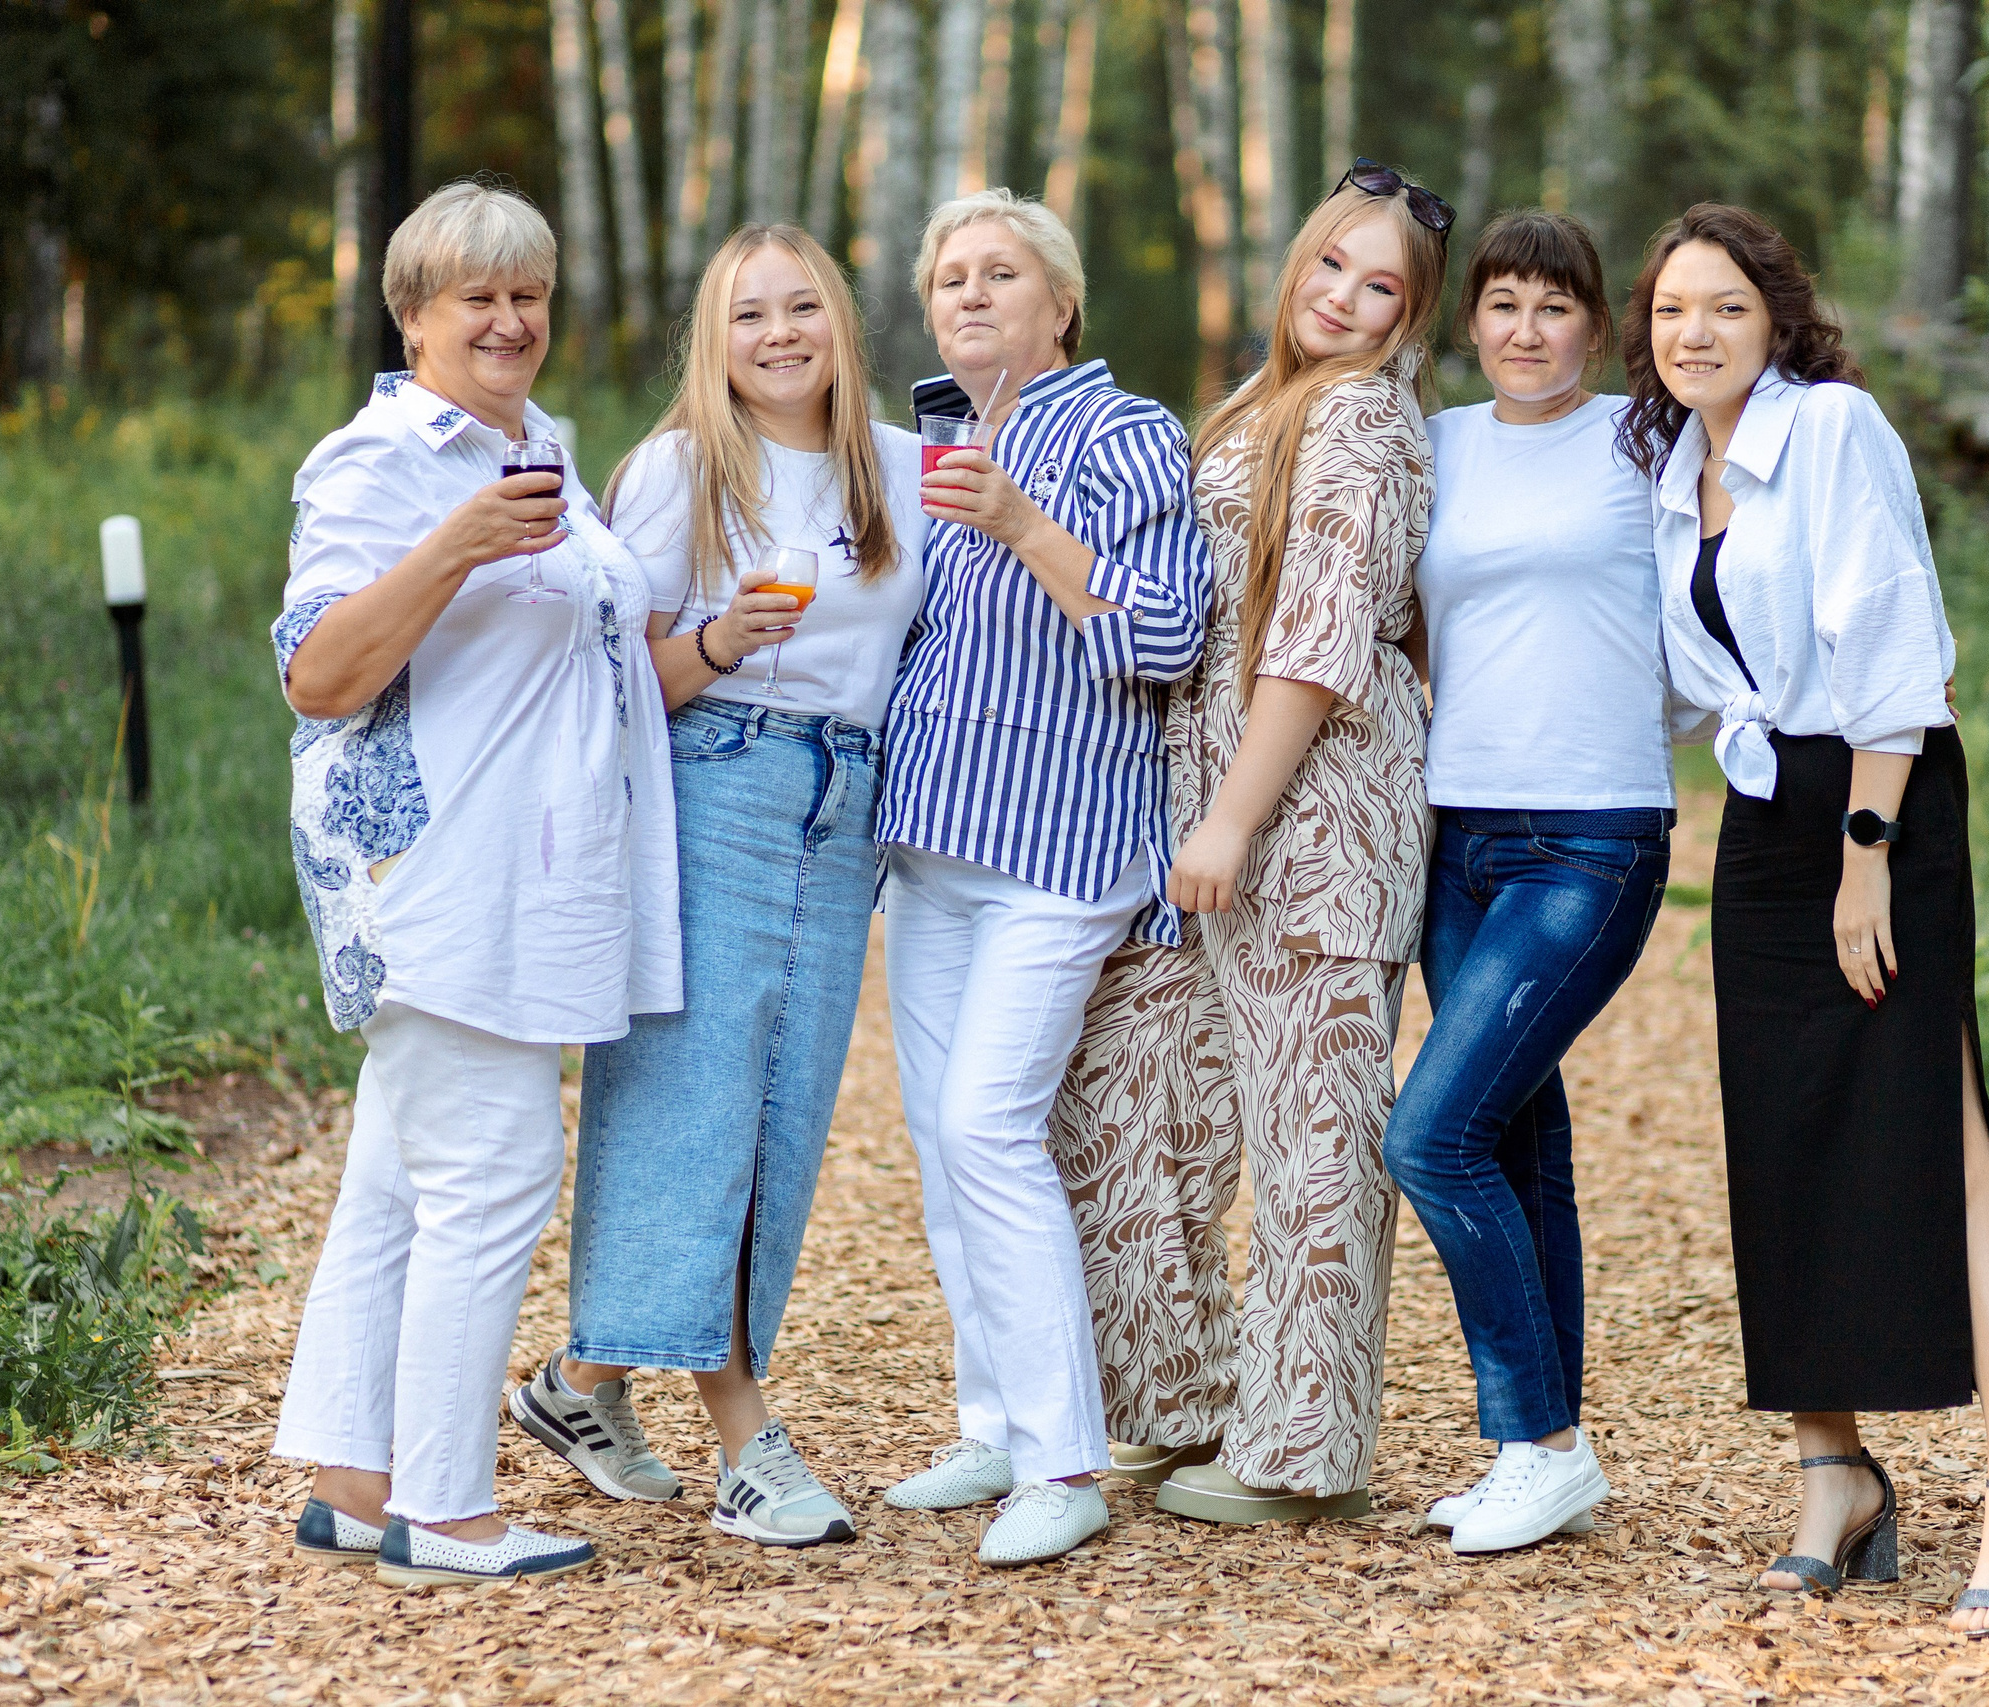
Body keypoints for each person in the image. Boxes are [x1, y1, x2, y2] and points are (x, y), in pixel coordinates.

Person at [1626, 202, 1989, 1635]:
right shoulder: (1670, 469)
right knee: (1784, 1133)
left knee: (1942, 1127)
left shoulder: (1830, 430)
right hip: (1765, 814)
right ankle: (1836, 1477)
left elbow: (1890, 642)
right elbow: (1683, 680)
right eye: (1672, 309)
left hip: (1880, 797)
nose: (1694, 333)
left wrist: (1866, 855)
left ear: (1778, 320)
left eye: (1725, 308)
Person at [268, 180, 681, 1587]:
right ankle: (445, 1511)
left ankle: (353, 1479)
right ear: (413, 316)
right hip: (440, 872)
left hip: (529, 868)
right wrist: (453, 544)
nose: (509, 322)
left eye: (529, 295)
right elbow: (319, 674)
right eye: (478, 298)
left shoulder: (540, 443)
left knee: (399, 1178)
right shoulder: (376, 460)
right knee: (497, 1173)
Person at [507, 224, 924, 1549]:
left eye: (803, 308)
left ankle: (580, 1382)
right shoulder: (679, 469)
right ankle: (748, 1443)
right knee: (697, 1105)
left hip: (844, 803)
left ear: (841, 324)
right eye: (750, 315)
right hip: (715, 781)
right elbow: (615, 682)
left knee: (782, 1116)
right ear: (715, 339)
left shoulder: (902, 470)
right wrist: (720, 639)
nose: (780, 334)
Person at [1047, 160, 1450, 1526]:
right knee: (1125, 1097)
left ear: (1409, 315)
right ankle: (1179, 1402)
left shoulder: (1364, 422)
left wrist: (1232, 817)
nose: (1342, 297)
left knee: (1310, 1140)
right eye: (1330, 263)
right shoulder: (1255, 403)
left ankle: (1298, 1455)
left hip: (1317, 828)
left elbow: (1321, 641)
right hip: (1205, 826)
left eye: (1379, 286)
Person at [873, 188, 1209, 1566]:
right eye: (949, 275)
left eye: (999, 272)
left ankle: (1065, 1465)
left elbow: (1170, 633)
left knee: (988, 1130)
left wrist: (1021, 522)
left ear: (1060, 305)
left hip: (1058, 850)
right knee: (942, 1143)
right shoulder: (932, 438)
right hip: (932, 840)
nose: (968, 292)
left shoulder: (1126, 433)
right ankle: (998, 1423)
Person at [1376, 210, 1673, 1555]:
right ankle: (1543, 1453)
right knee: (1511, 1140)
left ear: (1595, 329)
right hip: (1459, 833)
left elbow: (1725, 586)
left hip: (1592, 837)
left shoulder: (1643, 442)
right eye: (1502, 304)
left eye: (1555, 307)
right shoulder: (1438, 446)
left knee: (1430, 1138)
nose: (1526, 330)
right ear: (1472, 321)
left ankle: (1542, 1443)